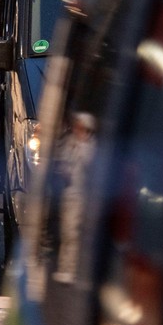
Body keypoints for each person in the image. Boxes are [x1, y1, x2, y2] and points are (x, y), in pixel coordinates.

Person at [52, 112, 96, 285]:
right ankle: (66, 268)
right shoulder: (70, 143)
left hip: (82, 196)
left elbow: (90, 167)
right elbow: (61, 162)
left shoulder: (91, 146)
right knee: (67, 233)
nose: (77, 130)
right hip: (68, 194)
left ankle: (75, 270)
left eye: (81, 127)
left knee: (76, 234)